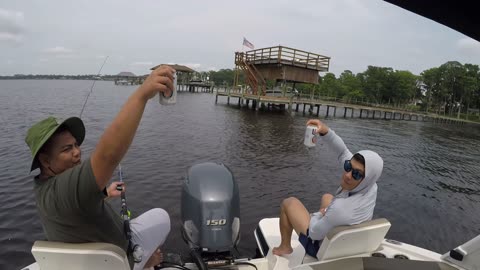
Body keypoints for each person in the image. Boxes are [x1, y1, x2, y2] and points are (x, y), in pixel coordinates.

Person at [25, 66, 176, 269]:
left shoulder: (44, 188)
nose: (77, 152)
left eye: (76, 145)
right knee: (162, 216)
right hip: (121, 258)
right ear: (45, 160)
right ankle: (146, 262)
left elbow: (76, 205)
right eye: (67, 149)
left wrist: (104, 192)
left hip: (87, 259)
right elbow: (107, 155)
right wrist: (142, 95)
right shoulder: (66, 189)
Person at [272, 119, 384, 258]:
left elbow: (313, 233)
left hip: (322, 249)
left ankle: (285, 247)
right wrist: (326, 131)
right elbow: (343, 152)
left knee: (289, 203)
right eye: (348, 167)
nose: (348, 175)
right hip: (348, 242)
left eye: (356, 174)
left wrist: (321, 214)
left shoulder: (340, 209)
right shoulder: (371, 186)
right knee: (327, 197)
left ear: (366, 178)